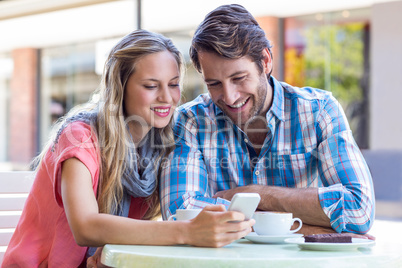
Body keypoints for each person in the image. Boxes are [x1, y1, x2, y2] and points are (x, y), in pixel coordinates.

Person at [2, 29, 254, 268]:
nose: (167, 97)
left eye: (174, 84)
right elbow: (85, 227)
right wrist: (188, 231)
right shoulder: (79, 136)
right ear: (121, 88)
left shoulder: (161, 142)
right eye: (151, 86)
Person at [160, 4, 375, 237]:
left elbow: (358, 210)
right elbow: (180, 213)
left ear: (265, 61)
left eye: (239, 78)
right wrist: (307, 227)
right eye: (214, 84)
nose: (230, 97)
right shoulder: (190, 120)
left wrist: (255, 194)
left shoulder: (319, 111)